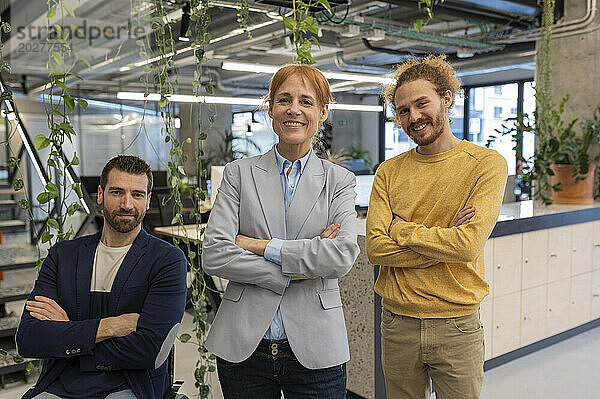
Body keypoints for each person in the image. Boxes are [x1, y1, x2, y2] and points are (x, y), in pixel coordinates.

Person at [202, 63, 360, 399]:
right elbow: (215, 254)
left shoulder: (340, 181)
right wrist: (298, 268)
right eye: (284, 99)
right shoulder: (238, 174)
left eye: (306, 101)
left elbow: (342, 256)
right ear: (271, 109)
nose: (294, 109)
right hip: (245, 347)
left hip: (317, 346)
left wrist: (258, 246)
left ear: (322, 111)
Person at [366, 55, 508, 399]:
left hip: (456, 324)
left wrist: (402, 231)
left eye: (421, 103)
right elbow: (375, 250)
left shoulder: (486, 165)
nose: (413, 117)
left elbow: (466, 245)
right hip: (397, 323)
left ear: (446, 98)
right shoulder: (388, 171)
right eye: (403, 110)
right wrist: (443, 242)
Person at [16, 155, 187, 399]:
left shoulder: (167, 260)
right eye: (117, 192)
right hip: (62, 382)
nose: (127, 204)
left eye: (137, 195)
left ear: (148, 201)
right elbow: (29, 339)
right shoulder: (63, 255)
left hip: (130, 384)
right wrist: (111, 326)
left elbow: (150, 349)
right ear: (100, 194)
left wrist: (69, 333)